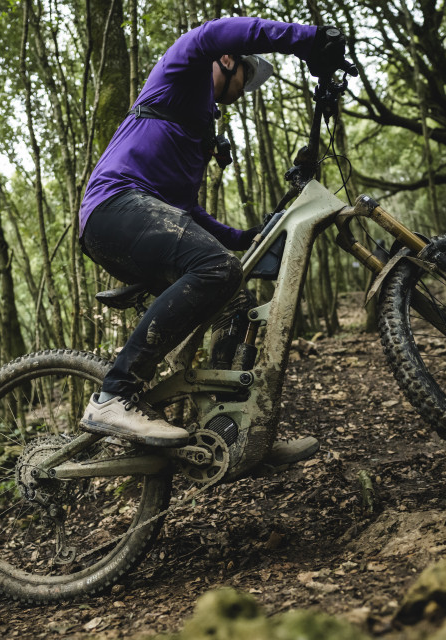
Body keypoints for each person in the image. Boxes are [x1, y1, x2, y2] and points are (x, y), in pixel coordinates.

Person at [79, 17, 348, 448]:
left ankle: (230, 434)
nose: (243, 90)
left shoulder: (196, 131)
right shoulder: (180, 72)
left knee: (236, 298)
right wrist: (308, 40)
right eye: (244, 76)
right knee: (218, 268)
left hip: (148, 216)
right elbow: (215, 32)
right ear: (227, 61)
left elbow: (185, 211)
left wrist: (244, 237)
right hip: (113, 207)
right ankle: (113, 394)